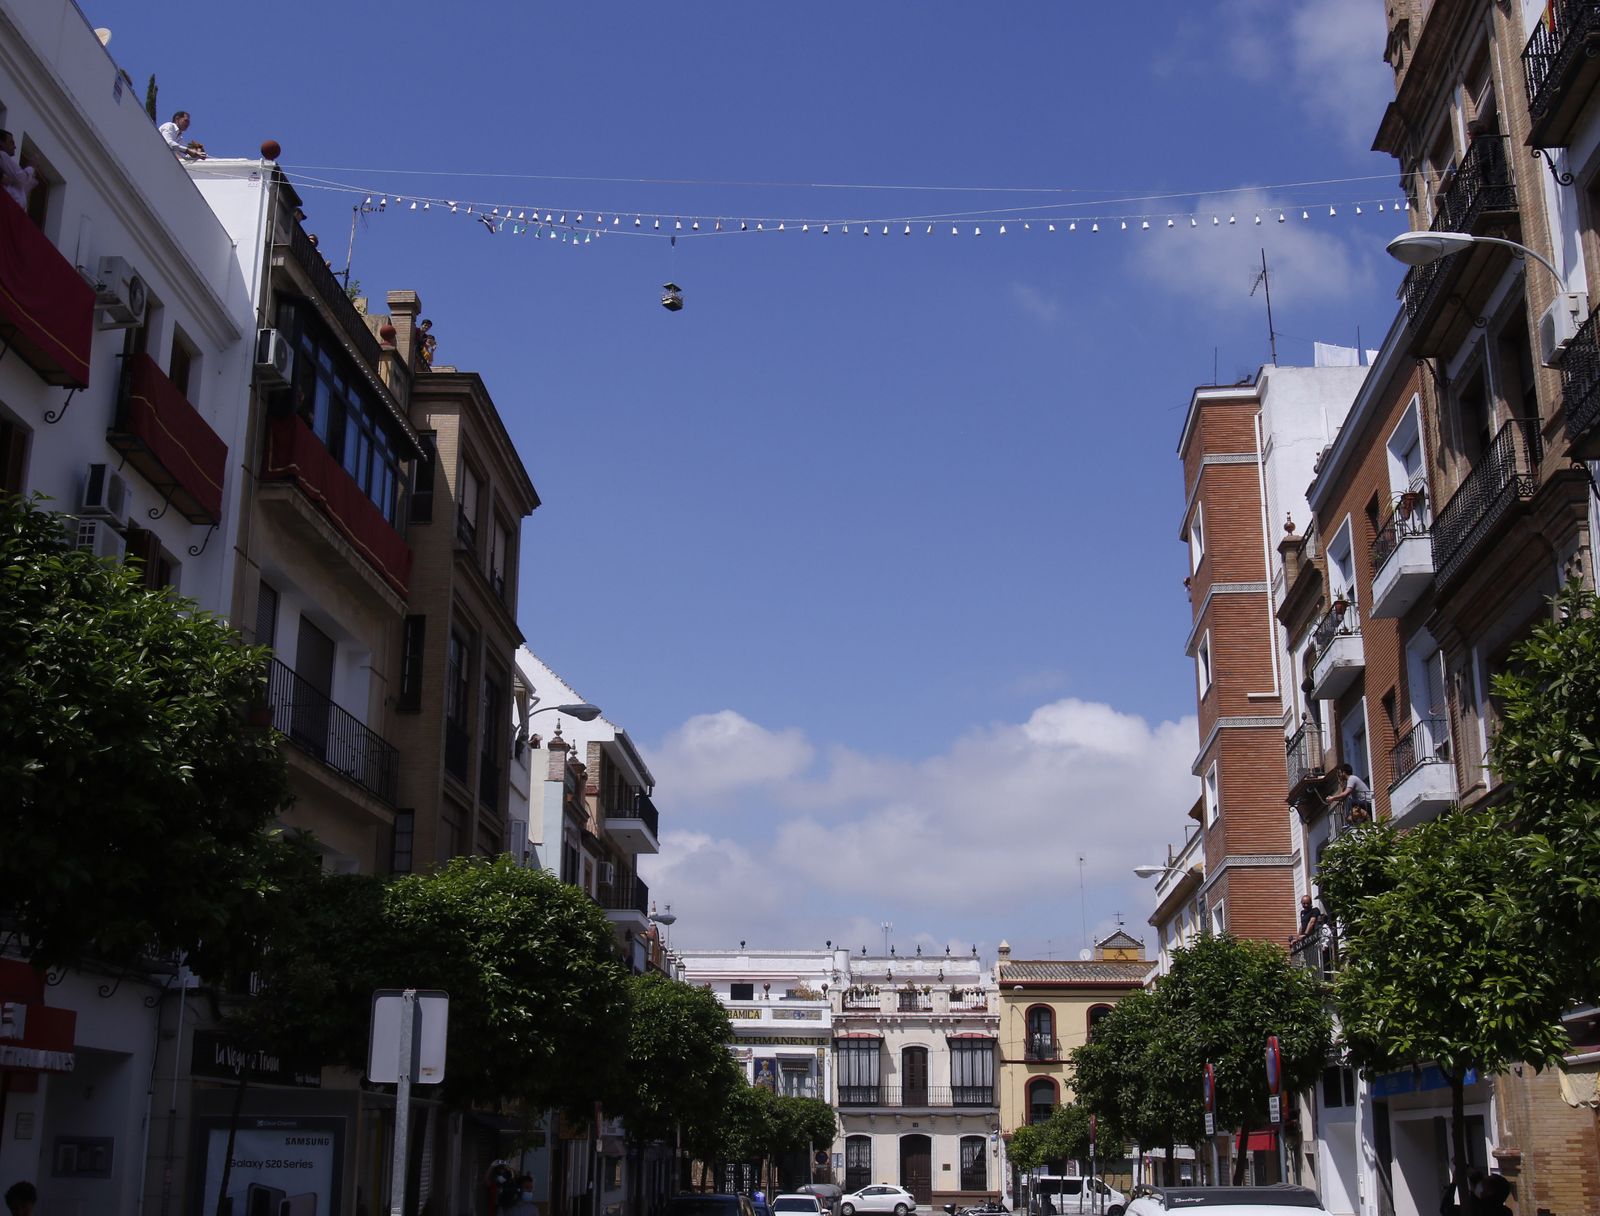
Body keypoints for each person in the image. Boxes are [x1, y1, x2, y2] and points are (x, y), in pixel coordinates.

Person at [0, 130, 37, 209]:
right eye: (11, 142)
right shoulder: (2, 154)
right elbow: (21, 178)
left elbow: (22, 183)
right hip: (8, 206)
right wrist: (31, 166)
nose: (15, 146)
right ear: (1, 143)